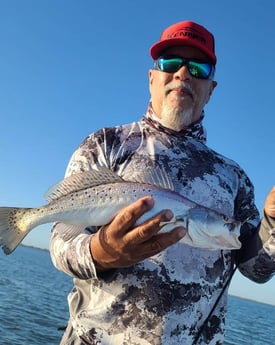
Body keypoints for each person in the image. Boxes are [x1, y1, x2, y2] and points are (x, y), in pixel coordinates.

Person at [50, 20, 275, 345]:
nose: (183, 74)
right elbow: (60, 240)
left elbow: (257, 270)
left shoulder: (234, 178)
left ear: (211, 89)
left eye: (199, 68)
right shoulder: (105, 144)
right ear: (152, 78)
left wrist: (272, 220)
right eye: (170, 63)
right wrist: (101, 251)